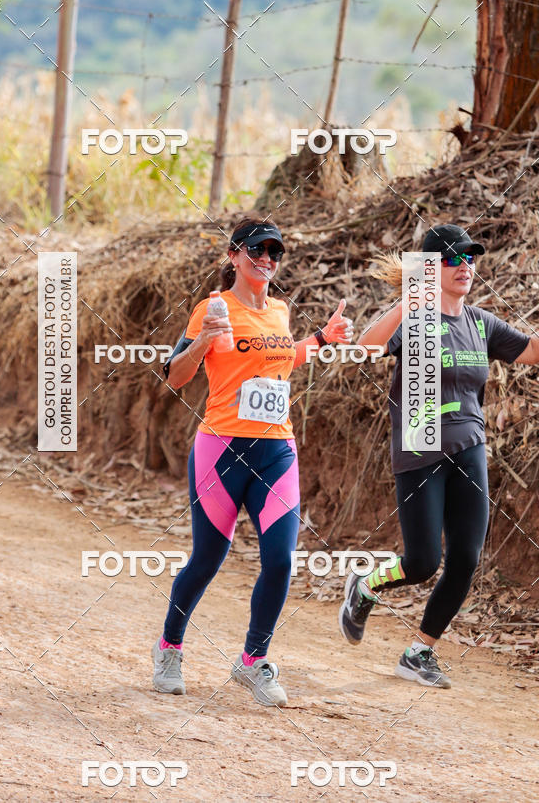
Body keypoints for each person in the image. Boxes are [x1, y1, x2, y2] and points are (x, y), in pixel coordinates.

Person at [152, 214, 353, 706]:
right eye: (257, 250)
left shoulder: (280, 311)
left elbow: (278, 358)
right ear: (234, 256)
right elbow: (173, 377)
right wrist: (203, 339)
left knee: (281, 558)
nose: (266, 259)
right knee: (207, 559)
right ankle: (169, 648)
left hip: (276, 451)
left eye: (274, 252)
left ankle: (252, 660)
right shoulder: (213, 307)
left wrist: (322, 340)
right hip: (220, 449)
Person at [339, 224, 538, 688]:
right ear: (429, 269)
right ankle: (366, 586)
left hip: (470, 445)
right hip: (421, 444)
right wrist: (409, 301)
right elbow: (366, 347)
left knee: (466, 557)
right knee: (424, 561)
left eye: (470, 258)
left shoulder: (480, 323)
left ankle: (418, 652)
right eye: (453, 259)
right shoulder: (415, 321)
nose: (465, 266)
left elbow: (529, 351)